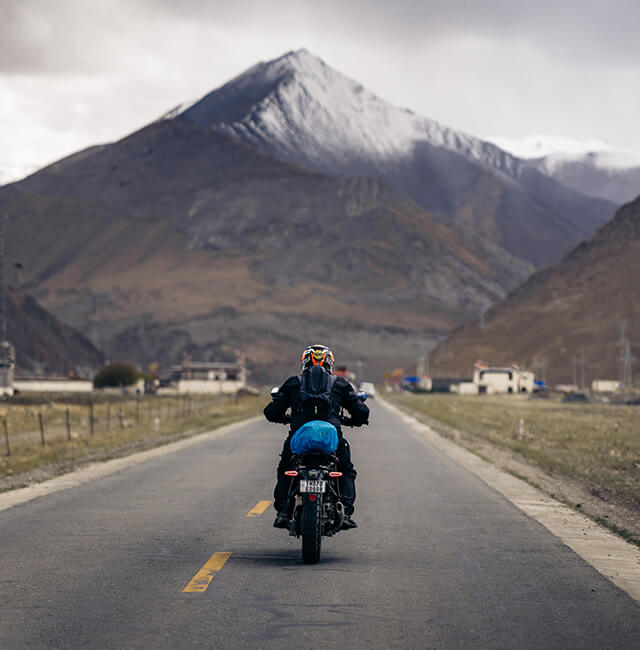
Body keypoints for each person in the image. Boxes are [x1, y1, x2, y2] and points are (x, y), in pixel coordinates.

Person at [264, 344, 369, 530]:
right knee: (345, 470)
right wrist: (353, 419)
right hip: (331, 439)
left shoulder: (293, 383)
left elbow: (271, 411)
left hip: (299, 437)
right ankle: (346, 511)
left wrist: (284, 417)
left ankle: (282, 511)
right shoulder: (341, 384)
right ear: (330, 363)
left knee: (286, 468)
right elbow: (361, 412)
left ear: (304, 362)